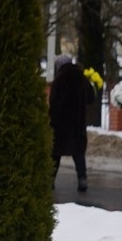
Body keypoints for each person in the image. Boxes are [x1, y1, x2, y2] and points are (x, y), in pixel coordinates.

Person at [48, 56, 90, 192]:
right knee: (78, 153)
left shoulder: (59, 80)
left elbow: (54, 103)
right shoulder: (82, 78)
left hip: (61, 124)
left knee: (55, 153)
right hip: (78, 123)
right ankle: (82, 179)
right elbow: (91, 96)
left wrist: (51, 119)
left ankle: (50, 180)